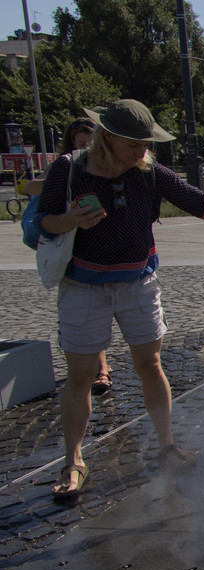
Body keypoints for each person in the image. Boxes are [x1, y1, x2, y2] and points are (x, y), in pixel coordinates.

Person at [36, 99, 204, 499]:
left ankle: (166, 447)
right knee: (81, 376)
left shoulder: (148, 172)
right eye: (134, 145)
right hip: (83, 286)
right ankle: (74, 461)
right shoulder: (69, 169)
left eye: (146, 144)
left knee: (149, 363)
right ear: (107, 137)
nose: (142, 152)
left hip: (137, 282)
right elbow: (44, 222)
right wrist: (71, 219)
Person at [27, 117, 117, 396]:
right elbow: (33, 198)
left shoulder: (111, 165)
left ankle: (100, 366)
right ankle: (96, 369)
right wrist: (69, 214)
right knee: (85, 316)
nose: (87, 147)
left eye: (91, 142)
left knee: (100, 315)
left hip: (107, 250)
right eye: (81, 143)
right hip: (74, 252)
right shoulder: (63, 167)